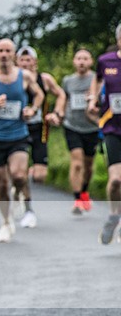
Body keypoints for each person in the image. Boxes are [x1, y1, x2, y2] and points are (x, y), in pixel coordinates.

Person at [0, 38, 44, 243]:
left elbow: (40, 95)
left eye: (8, 51)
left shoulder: (25, 76)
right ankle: (6, 222)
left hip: (18, 135)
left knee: (19, 176)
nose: (4, 54)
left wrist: (32, 109)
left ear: (13, 55)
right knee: (1, 184)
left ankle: (19, 191)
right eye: (0, 51)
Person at [15, 46, 66, 227]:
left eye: (29, 60)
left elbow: (61, 94)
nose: (26, 63)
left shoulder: (44, 79)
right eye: (22, 60)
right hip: (17, 130)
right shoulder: (13, 80)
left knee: (40, 176)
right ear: (17, 62)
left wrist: (57, 113)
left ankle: (22, 180)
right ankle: (29, 210)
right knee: (19, 173)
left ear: (35, 62)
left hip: (39, 130)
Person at [89, 23, 121, 244]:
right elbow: (97, 80)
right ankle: (113, 214)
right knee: (117, 180)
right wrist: (93, 98)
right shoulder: (105, 61)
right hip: (113, 126)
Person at [61, 49, 100, 215]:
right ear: (74, 62)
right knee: (77, 162)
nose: (82, 62)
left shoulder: (97, 79)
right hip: (72, 125)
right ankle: (77, 199)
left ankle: (84, 192)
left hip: (92, 127)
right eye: (78, 58)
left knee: (88, 165)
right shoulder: (68, 81)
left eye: (85, 58)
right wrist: (59, 115)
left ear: (91, 62)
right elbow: (64, 100)